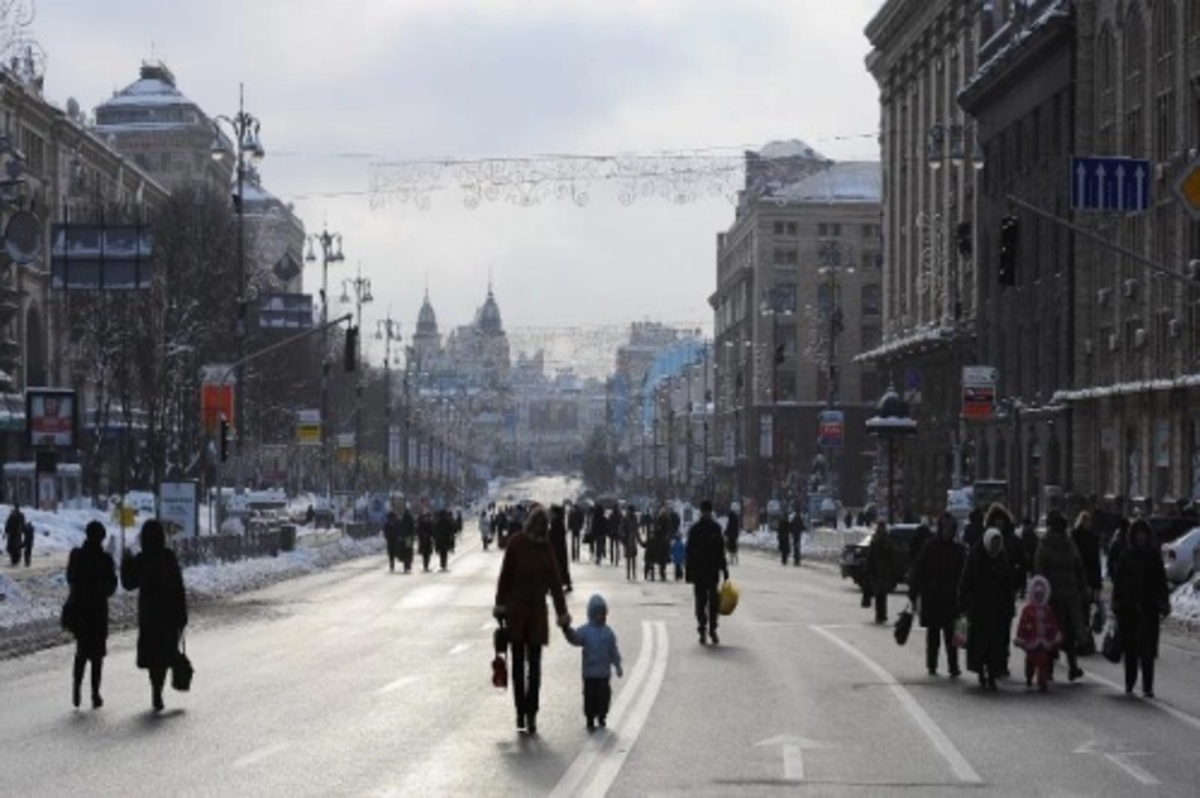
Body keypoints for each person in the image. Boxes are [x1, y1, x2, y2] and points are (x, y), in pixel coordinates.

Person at [493, 506, 571, 735]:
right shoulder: (545, 548)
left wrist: (500, 606)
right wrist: (562, 615)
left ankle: (520, 712)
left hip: (516, 614)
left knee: (519, 667)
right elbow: (556, 586)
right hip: (536, 614)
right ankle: (531, 714)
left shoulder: (517, 543)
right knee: (534, 668)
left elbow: (504, 577)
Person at [121, 519, 188, 712]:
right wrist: (182, 615)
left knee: (153, 654)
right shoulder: (168, 557)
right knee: (166, 652)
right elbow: (179, 588)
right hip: (169, 615)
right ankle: (158, 688)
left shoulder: (142, 559)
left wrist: (126, 563)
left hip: (149, 616)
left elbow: (128, 583)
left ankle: (155, 689)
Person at [1112, 519, 1170, 698]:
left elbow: (1161, 580)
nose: (1141, 536)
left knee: (1147, 651)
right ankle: (1130, 682)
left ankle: (1147, 686)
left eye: (1143, 533)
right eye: (1138, 533)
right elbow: (1118, 581)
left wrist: (1164, 601)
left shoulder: (1153, 555)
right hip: (1129, 607)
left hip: (1148, 607)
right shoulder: (1126, 555)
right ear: (1133, 535)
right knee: (1130, 649)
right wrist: (1117, 601)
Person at [66, 521, 118, 709]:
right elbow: (111, 587)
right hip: (97, 613)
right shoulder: (105, 560)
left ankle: (76, 686)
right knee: (97, 656)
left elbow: (69, 578)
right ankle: (95, 694)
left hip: (80, 610)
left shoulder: (77, 555)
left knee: (81, 652)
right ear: (102, 537)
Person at [958, 528, 1015, 691]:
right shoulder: (975, 556)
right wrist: (962, 603)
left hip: (997, 608)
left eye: (998, 544)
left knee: (994, 644)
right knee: (979, 644)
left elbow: (1007, 584)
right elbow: (966, 580)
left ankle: (991, 674)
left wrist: (1009, 606)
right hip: (978, 609)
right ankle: (981, 672)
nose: (996, 547)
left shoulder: (1002, 558)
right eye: (994, 544)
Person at [909, 514, 965, 677]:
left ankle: (953, 666)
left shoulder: (958, 550)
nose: (948, 532)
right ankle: (932, 665)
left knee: (952, 636)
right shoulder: (930, 546)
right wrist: (914, 593)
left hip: (951, 599)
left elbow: (965, 575)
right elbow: (919, 570)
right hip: (933, 598)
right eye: (945, 528)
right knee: (933, 636)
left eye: (950, 529)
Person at [1035, 510, 1087, 682]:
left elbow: (1039, 569)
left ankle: (1049, 669)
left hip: (1052, 595)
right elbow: (1079, 566)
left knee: (1051, 631)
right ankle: (1072, 667)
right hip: (1069, 594)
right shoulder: (1069, 542)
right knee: (1069, 634)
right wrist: (1082, 588)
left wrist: (1040, 592)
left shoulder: (1045, 543)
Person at [562, 593, 623, 732]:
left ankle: (602, 715)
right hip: (589, 673)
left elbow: (613, 651)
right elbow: (576, 639)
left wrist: (617, 665)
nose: (601, 617)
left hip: (603, 673)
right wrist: (567, 631)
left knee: (603, 696)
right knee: (589, 696)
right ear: (591, 614)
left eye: (603, 614)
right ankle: (590, 716)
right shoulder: (585, 631)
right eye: (598, 614)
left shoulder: (608, 633)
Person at [685, 500, 729, 645]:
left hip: (712, 571)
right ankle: (702, 629)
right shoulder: (695, 530)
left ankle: (712, 628)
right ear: (701, 512)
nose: (706, 514)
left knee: (714, 602)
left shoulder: (716, 529)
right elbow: (689, 552)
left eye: (708, 512)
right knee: (700, 602)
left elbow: (721, 550)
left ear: (710, 512)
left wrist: (724, 568)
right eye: (704, 511)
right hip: (699, 572)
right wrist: (688, 571)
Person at [1013, 575, 1061, 692]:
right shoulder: (1027, 610)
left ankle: (1042, 681)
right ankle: (1029, 675)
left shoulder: (1047, 610)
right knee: (1030, 660)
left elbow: (1053, 623)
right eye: (1036, 595)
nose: (1039, 598)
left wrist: (1055, 635)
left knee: (1043, 661)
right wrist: (1020, 636)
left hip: (1044, 641)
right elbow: (1022, 624)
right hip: (1031, 640)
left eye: (1041, 595)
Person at [1071, 510, 1103, 655]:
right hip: (1076, 580)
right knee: (1077, 611)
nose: (1087, 524)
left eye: (1089, 521)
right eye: (1085, 521)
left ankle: (1082, 640)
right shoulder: (1074, 536)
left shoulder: (1093, 538)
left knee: (1084, 612)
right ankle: (1078, 639)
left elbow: (1096, 564)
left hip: (1088, 582)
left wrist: (1097, 585)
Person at [865, 521, 895, 624]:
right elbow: (870, 556)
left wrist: (891, 569)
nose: (882, 530)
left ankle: (882, 614)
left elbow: (891, 556)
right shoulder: (876, 540)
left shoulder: (887, 541)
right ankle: (879, 614)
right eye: (880, 528)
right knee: (879, 594)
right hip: (876, 571)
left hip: (884, 571)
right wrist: (868, 569)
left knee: (883, 594)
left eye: (883, 528)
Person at [549, 504, 573, 594]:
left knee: (557, 568)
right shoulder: (558, 522)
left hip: (557, 549)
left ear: (555, 513)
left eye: (551, 512)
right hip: (560, 549)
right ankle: (566, 584)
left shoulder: (556, 523)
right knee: (561, 567)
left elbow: (554, 537)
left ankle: (557, 586)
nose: (550, 514)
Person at [622, 506, 641, 581]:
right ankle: (628, 573)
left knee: (633, 558)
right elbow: (622, 528)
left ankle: (633, 573)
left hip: (632, 540)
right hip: (627, 540)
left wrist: (639, 541)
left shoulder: (634, 518)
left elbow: (637, 530)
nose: (630, 512)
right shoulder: (626, 518)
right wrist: (623, 537)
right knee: (629, 558)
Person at [5, 502, 23, 567]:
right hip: (12, 534)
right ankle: (14, 560)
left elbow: (22, 524)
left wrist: (22, 530)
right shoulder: (11, 515)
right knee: (12, 548)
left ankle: (16, 559)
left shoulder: (20, 515)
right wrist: (6, 530)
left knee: (16, 547)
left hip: (17, 534)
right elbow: (8, 523)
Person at [398, 506, 416, 573]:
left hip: (404, 537)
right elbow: (412, 529)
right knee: (408, 550)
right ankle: (408, 564)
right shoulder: (410, 520)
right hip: (408, 537)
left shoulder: (402, 520)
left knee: (405, 551)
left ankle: (406, 564)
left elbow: (400, 528)